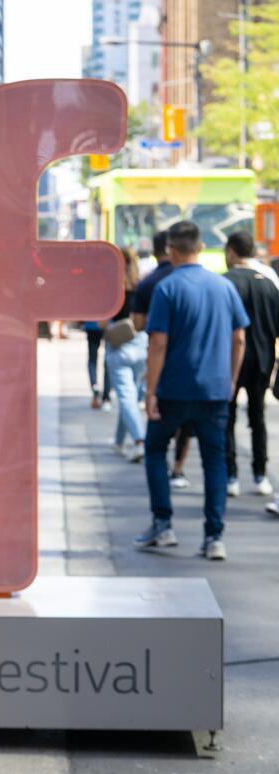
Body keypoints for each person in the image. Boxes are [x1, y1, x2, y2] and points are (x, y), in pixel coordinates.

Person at [137, 221, 249, 561]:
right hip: (214, 390)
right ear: (200, 248)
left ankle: (163, 524)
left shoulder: (167, 289)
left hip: (172, 388)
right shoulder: (224, 287)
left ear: (171, 250)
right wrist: (230, 379)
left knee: (156, 449)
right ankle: (214, 537)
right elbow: (239, 338)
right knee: (214, 460)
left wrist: (150, 390)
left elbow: (158, 342)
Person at [132, 230, 194, 488]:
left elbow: (141, 328)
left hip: (163, 365)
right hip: (193, 363)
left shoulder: (150, 283)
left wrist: (151, 391)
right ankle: (179, 467)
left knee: (157, 434)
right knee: (189, 424)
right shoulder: (201, 281)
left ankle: (161, 519)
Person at [222, 231, 279, 497]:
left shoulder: (224, 283)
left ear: (231, 251)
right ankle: (260, 474)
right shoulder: (268, 285)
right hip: (262, 361)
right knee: (257, 418)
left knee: (227, 418)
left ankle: (231, 475)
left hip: (229, 360)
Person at [104, 246, 148, 462]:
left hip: (119, 346)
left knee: (126, 396)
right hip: (141, 345)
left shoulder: (112, 288)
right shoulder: (142, 285)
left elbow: (103, 321)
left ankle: (140, 441)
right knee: (130, 395)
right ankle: (119, 440)